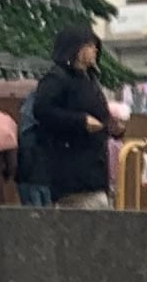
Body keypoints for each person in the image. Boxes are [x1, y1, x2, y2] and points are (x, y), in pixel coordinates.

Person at [20, 23, 120, 209]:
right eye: (89, 46)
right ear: (76, 49)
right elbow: (43, 110)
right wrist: (80, 121)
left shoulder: (90, 80)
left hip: (95, 169)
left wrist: (111, 126)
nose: (95, 51)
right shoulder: (57, 78)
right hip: (72, 170)